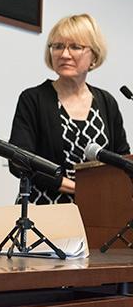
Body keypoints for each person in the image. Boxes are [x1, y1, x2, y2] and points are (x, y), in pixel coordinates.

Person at [9, 13, 129, 204]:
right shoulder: (33, 99)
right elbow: (19, 161)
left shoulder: (107, 102)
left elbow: (122, 160)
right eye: (58, 46)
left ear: (94, 56)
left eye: (75, 47)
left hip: (98, 209)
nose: (64, 54)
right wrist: (78, 189)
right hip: (45, 209)